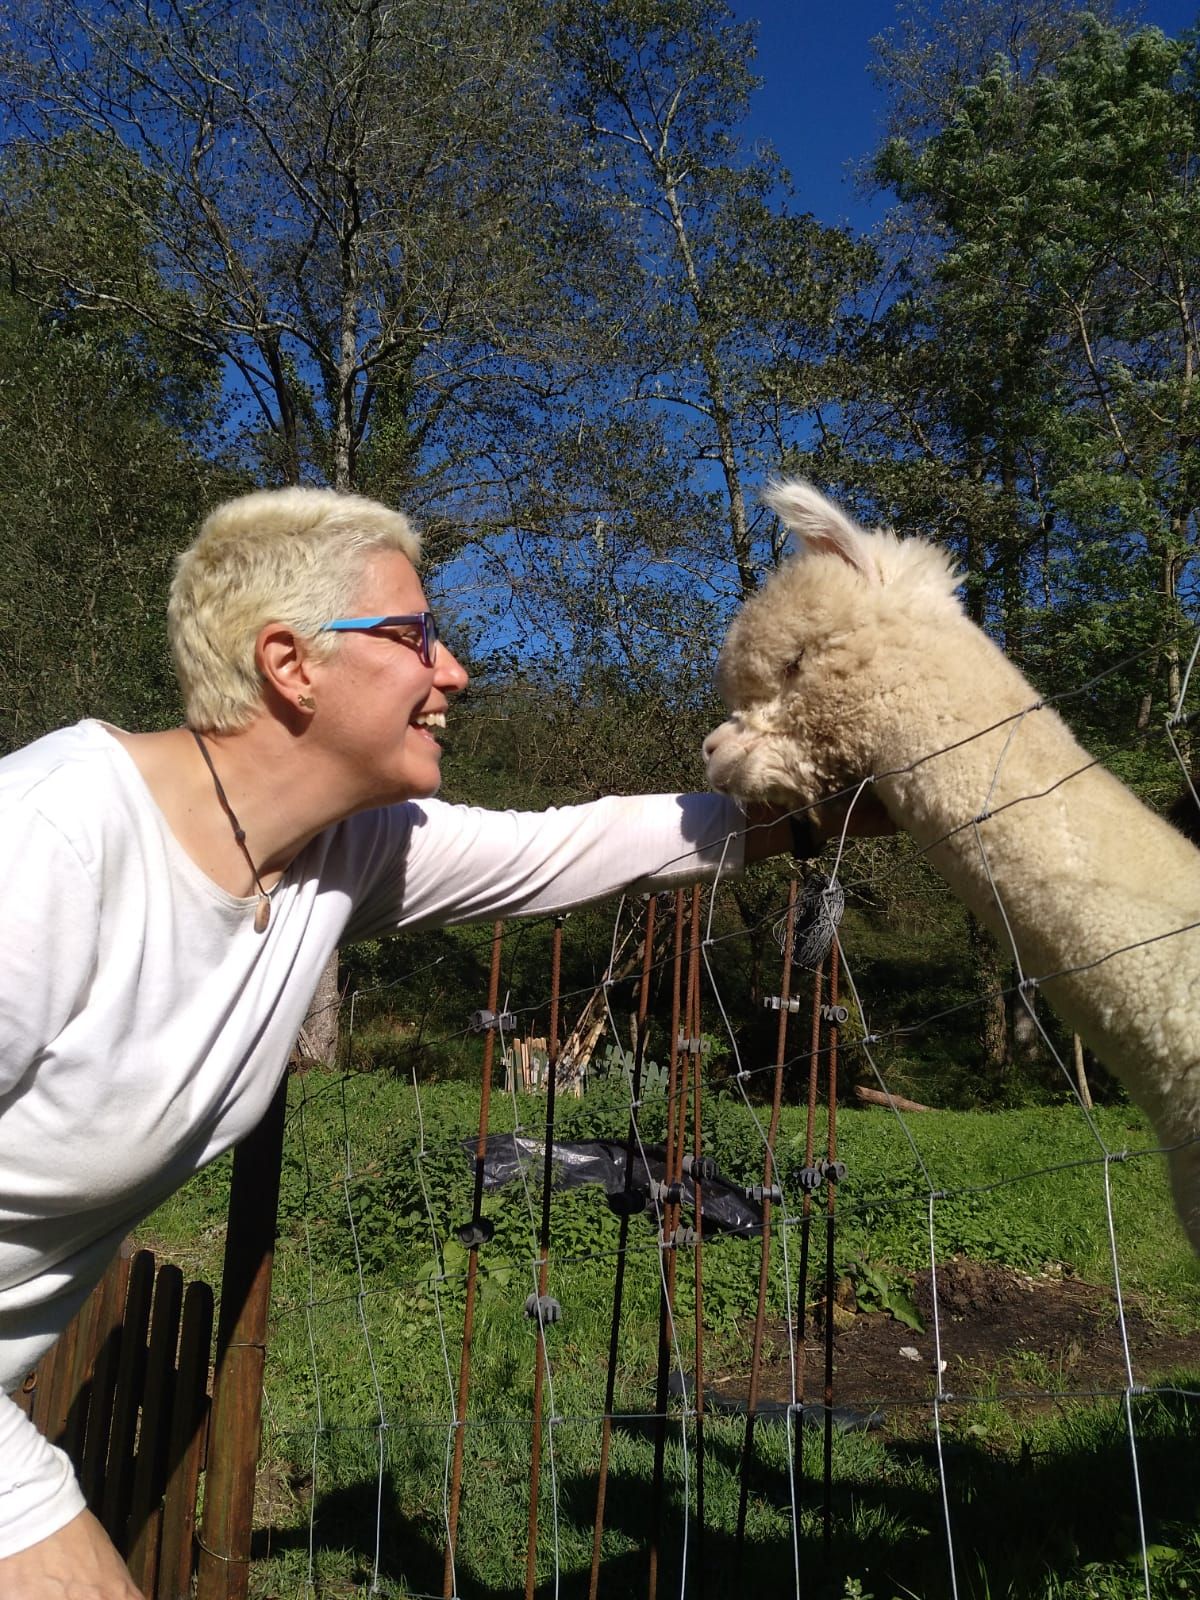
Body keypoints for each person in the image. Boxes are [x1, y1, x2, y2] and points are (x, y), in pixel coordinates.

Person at [2, 484, 849, 1597]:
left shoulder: (340, 854)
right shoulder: (48, 843)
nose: (453, 671)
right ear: (290, 663)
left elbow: (590, 843)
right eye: (415, 636)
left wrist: (860, 794)